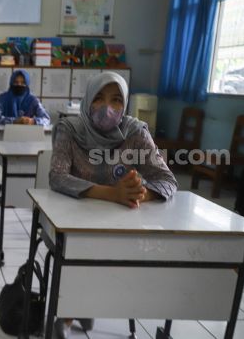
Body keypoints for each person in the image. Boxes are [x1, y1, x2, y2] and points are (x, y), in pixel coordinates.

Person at [49, 71, 177, 338]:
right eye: (99, 98)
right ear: (87, 101)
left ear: (125, 104)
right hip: (73, 219)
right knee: (82, 249)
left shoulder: (135, 132)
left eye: (117, 100)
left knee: (114, 252)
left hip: (121, 221)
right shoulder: (70, 130)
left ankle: (82, 307)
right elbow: (58, 176)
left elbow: (166, 179)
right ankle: (72, 310)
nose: (108, 107)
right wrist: (112, 194)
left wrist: (138, 193)